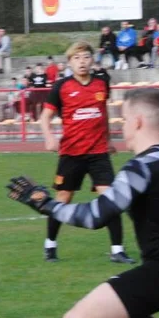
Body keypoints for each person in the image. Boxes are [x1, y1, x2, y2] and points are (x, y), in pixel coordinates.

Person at [6, 87, 159, 318]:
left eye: (123, 119)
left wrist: (47, 204)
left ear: (138, 121)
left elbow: (95, 216)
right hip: (158, 272)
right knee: (128, 310)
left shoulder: (139, 169)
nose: (121, 127)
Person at [37, 41, 134, 264]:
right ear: (69, 62)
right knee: (63, 198)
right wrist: (50, 137)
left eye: (86, 57)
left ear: (92, 60)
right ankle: (50, 245)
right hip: (71, 153)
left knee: (111, 199)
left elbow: (103, 115)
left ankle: (117, 250)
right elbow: (45, 118)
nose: (82, 62)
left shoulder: (101, 84)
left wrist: (108, 139)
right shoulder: (61, 87)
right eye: (77, 58)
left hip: (99, 152)